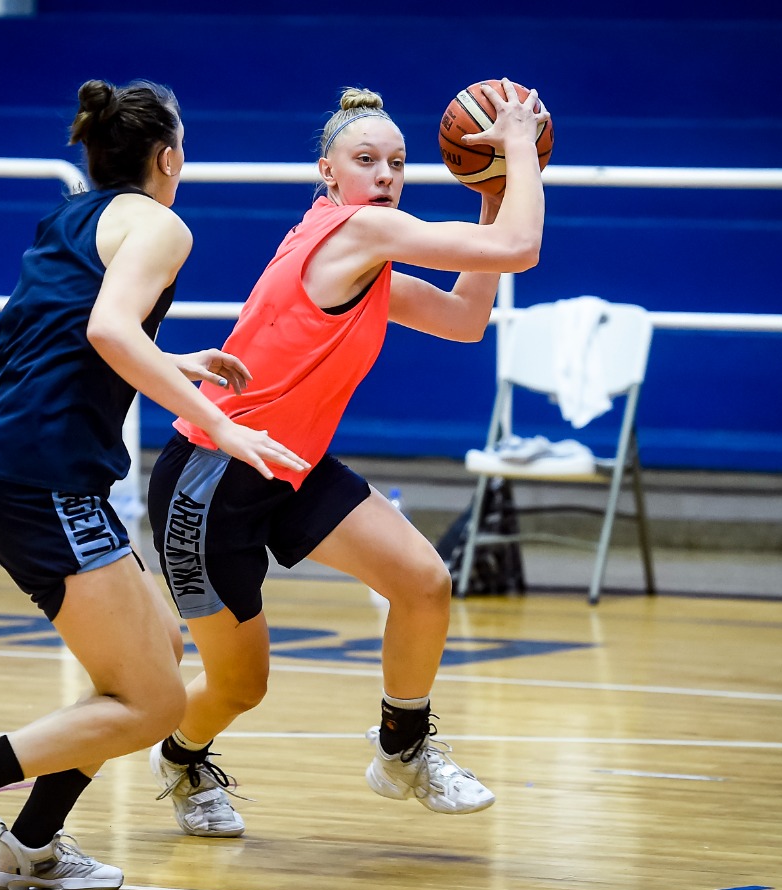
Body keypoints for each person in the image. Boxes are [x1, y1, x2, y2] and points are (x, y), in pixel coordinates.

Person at [0, 78, 308, 890]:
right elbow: (108, 330)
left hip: (18, 461)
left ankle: (30, 848)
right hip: (41, 473)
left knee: (163, 655)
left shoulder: (72, 216)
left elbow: (71, 326)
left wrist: (171, 360)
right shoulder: (162, 223)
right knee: (151, 706)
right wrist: (219, 424)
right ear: (168, 157)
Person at [146, 80, 548, 836]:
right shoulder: (354, 235)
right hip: (211, 476)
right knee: (240, 686)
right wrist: (521, 147)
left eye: (398, 162)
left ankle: (403, 750)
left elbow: (466, 320)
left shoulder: (365, 252)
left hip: (289, 465)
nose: (387, 175)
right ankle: (181, 756)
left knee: (425, 582)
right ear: (329, 173)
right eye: (367, 160)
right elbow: (522, 251)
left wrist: (492, 194)